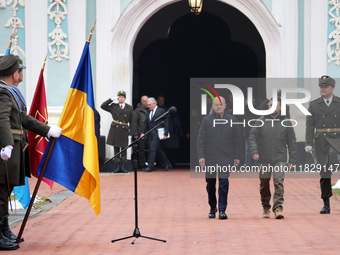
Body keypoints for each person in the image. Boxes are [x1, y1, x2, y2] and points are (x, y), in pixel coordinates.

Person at [0, 54, 62, 250]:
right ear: (14, 73)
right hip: (8, 149)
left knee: (6, 190)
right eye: (20, 70)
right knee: (1, 192)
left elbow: (23, 119)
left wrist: (47, 130)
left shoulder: (11, 92)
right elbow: (1, 119)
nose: (21, 74)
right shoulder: (3, 93)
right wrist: (6, 144)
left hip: (16, 148)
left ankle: (3, 229)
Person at [249, 98, 296, 219]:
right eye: (270, 105)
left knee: (278, 182)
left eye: (275, 105)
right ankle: (266, 207)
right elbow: (252, 137)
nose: (272, 107)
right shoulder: (261, 121)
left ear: (280, 108)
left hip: (280, 157)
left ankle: (278, 208)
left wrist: (292, 158)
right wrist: (254, 151)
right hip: (264, 158)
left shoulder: (286, 122)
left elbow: (291, 141)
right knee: (264, 183)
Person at [197, 96, 241, 220]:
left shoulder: (232, 120)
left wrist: (237, 156)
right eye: (216, 104)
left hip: (225, 157)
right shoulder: (206, 121)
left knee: (223, 184)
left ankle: (222, 210)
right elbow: (201, 140)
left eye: (221, 104)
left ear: (225, 105)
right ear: (212, 105)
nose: (218, 106)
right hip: (210, 157)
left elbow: (237, 141)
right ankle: (212, 207)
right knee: (210, 185)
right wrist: (201, 156)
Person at [305, 75, 340, 214]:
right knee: (324, 173)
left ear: (332, 88)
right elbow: (309, 126)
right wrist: (308, 143)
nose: (322, 89)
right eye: (321, 87)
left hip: (337, 140)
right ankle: (326, 203)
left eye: (325, 87)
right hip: (321, 142)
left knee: (332, 156)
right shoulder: (313, 105)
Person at [101, 90, 133, 173]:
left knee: (124, 149)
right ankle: (117, 166)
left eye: (122, 97)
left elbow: (132, 121)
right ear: (118, 98)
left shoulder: (129, 108)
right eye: (119, 97)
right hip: (115, 129)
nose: (121, 98)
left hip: (124, 129)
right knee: (116, 149)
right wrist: (111, 99)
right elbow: (103, 106)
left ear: (125, 98)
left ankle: (123, 166)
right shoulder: (113, 106)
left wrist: (131, 133)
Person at [140, 97, 172, 172]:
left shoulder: (161, 111)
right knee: (159, 150)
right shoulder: (148, 111)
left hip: (158, 133)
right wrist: (142, 133)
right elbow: (146, 123)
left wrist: (166, 133)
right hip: (151, 134)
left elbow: (166, 122)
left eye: (149, 105)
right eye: (147, 105)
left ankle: (150, 166)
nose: (148, 106)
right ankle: (167, 164)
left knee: (152, 148)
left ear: (154, 104)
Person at [131, 95, 148, 168]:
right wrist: (135, 133)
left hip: (150, 133)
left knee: (152, 149)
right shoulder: (137, 111)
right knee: (142, 149)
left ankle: (151, 164)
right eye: (144, 101)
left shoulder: (151, 109)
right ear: (141, 101)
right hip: (141, 133)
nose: (145, 103)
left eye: (147, 101)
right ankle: (142, 164)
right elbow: (134, 122)